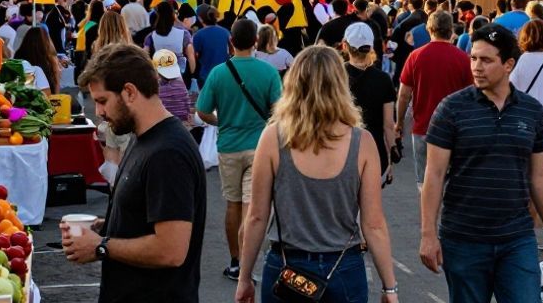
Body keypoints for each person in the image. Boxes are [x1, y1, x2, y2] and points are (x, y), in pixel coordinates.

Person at [235, 46, 399, 303]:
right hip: (344, 268)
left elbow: (256, 217)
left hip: (286, 267)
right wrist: (390, 288)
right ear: (341, 86)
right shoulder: (362, 142)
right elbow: (373, 224)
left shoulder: (273, 138)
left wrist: (244, 278)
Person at [420, 24, 543, 302]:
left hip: (517, 238)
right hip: (463, 239)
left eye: (486, 60)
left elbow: (539, 176)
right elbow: (434, 175)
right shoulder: (451, 108)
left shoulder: (531, 110)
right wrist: (428, 234)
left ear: (508, 64)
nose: (476, 67)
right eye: (473, 58)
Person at [62, 44, 205, 302]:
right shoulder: (143, 137)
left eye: (102, 101)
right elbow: (146, 215)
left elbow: (171, 250)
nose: (99, 112)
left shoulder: (168, 153)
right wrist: (104, 227)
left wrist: (100, 246)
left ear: (129, 92)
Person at [196, 18, 282, 281]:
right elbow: (279, 112)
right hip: (260, 147)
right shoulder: (268, 72)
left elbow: (202, 110)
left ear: (231, 41)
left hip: (229, 146)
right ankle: (248, 262)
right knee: (251, 206)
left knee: (232, 205)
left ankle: (235, 261)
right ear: (256, 41)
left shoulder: (218, 73)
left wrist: (221, 121)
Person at [396, 10, 472, 188]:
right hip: (454, 130)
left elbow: (404, 94)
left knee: (424, 183)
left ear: (429, 29)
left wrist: (399, 122)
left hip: (423, 127)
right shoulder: (463, 59)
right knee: (452, 183)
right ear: (451, 30)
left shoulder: (415, 56)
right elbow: (471, 96)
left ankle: (427, 206)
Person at [343, 21, 398, 181]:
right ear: (371, 47)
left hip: (342, 151)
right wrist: (390, 157)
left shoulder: (335, 75)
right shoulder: (383, 79)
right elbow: (388, 124)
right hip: (374, 150)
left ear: (345, 46)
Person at [144, 3, 197, 82]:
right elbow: (191, 57)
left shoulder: (151, 36)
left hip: (160, 78)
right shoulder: (184, 34)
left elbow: (144, 56)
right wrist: (192, 75)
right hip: (180, 77)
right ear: (173, 15)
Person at [152, 49, 193, 126]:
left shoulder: (156, 89)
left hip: (165, 124)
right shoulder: (180, 84)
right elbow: (187, 103)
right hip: (182, 122)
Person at [14, 28, 60, 95]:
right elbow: (54, 90)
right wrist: (57, 73)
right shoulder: (46, 61)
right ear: (46, 42)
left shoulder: (18, 55)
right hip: (43, 97)